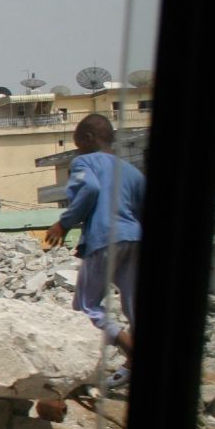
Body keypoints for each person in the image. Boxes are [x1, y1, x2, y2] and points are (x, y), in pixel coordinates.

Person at [45, 113, 144, 385]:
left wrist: (64, 223)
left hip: (103, 238)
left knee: (85, 305)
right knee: (133, 305)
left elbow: (89, 189)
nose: (77, 150)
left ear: (87, 139)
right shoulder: (132, 171)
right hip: (134, 239)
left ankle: (130, 349)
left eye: (77, 143)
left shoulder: (84, 162)